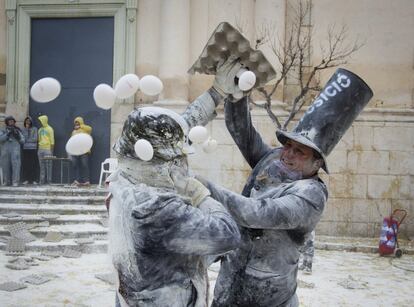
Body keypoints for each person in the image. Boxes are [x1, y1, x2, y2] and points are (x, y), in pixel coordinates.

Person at [181, 56, 373, 306]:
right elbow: (243, 133)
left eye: (300, 151)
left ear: (317, 164)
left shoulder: (311, 196)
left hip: (269, 299)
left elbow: (254, 213)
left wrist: (199, 186)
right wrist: (238, 96)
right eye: (289, 146)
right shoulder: (274, 160)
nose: (288, 154)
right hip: (229, 292)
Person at [107, 107, 241, 307]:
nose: (183, 165)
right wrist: (200, 194)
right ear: (158, 163)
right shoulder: (156, 208)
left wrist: (216, 94)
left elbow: (161, 129)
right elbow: (228, 234)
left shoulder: (124, 179)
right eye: (177, 160)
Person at [0, 116, 25, 186]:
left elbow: (23, 141)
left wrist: (17, 136)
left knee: (16, 165)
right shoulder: (3, 130)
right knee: (5, 165)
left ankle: (15, 181)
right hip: (5, 150)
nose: (11, 122)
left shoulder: (18, 130)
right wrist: (7, 134)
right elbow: (0, 139)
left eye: (12, 121)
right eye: (9, 121)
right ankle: (7, 181)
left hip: (15, 150)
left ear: (14, 122)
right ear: (7, 122)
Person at [70, 117, 92, 186]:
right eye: (75, 122)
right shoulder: (73, 132)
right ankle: (77, 180)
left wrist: (81, 126)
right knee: (75, 166)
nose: (76, 124)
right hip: (75, 151)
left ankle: (87, 181)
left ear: (81, 122)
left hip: (84, 150)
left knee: (84, 165)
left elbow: (90, 129)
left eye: (78, 122)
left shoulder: (85, 129)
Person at [21, 116, 39, 184]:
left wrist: (27, 140)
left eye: (29, 121)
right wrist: (26, 130)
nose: (28, 122)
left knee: (33, 164)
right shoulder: (23, 129)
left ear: (31, 121)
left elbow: (35, 139)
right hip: (25, 149)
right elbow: (22, 139)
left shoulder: (35, 129)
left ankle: (34, 179)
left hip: (33, 149)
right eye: (26, 121)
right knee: (26, 164)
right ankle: (26, 179)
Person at [37, 115, 54, 184]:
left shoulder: (50, 129)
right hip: (40, 149)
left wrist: (51, 150)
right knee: (41, 166)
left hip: (48, 149)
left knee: (49, 165)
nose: (40, 122)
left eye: (41, 120)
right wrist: (39, 147)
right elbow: (39, 139)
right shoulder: (40, 129)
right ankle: (42, 180)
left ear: (44, 120)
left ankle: (49, 180)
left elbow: (52, 140)